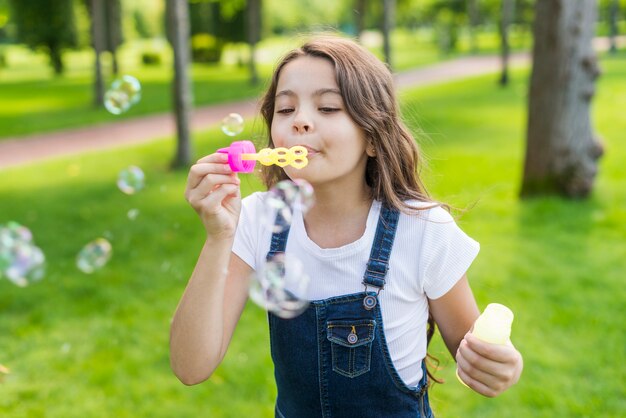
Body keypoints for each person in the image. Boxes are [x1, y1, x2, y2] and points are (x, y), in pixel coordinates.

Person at [170, 35, 523, 417]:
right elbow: (191, 367)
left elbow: (473, 352)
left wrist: (499, 364)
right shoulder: (257, 219)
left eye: (327, 107)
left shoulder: (421, 229)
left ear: (372, 136)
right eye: (285, 109)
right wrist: (219, 237)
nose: (300, 121)